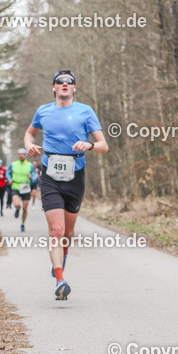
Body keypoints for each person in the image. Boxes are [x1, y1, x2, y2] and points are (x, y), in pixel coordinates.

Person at [24, 69, 107, 301]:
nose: (64, 84)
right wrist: (29, 145)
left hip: (75, 176)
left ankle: (64, 254)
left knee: (68, 233)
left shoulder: (85, 111)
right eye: (60, 81)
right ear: (53, 87)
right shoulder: (43, 111)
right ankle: (60, 280)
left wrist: (89, 145)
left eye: (69, 82)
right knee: (57, 230)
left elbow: (103, 145)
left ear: (74, 88)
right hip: (50, 176)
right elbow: (29, 134)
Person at [8, 148, 34, 231]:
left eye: (22, 154)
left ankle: (23, 224)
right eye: (19, 154)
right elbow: (8, 173)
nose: (21, 155)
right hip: (15, 186)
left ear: (25, 155)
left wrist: (31, 177)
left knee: (25, 208)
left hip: (26, 187)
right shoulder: (13, 164)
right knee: (17, 204)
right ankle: (17, 209)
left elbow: (34, 176)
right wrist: (9, 179)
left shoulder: (30, 165)